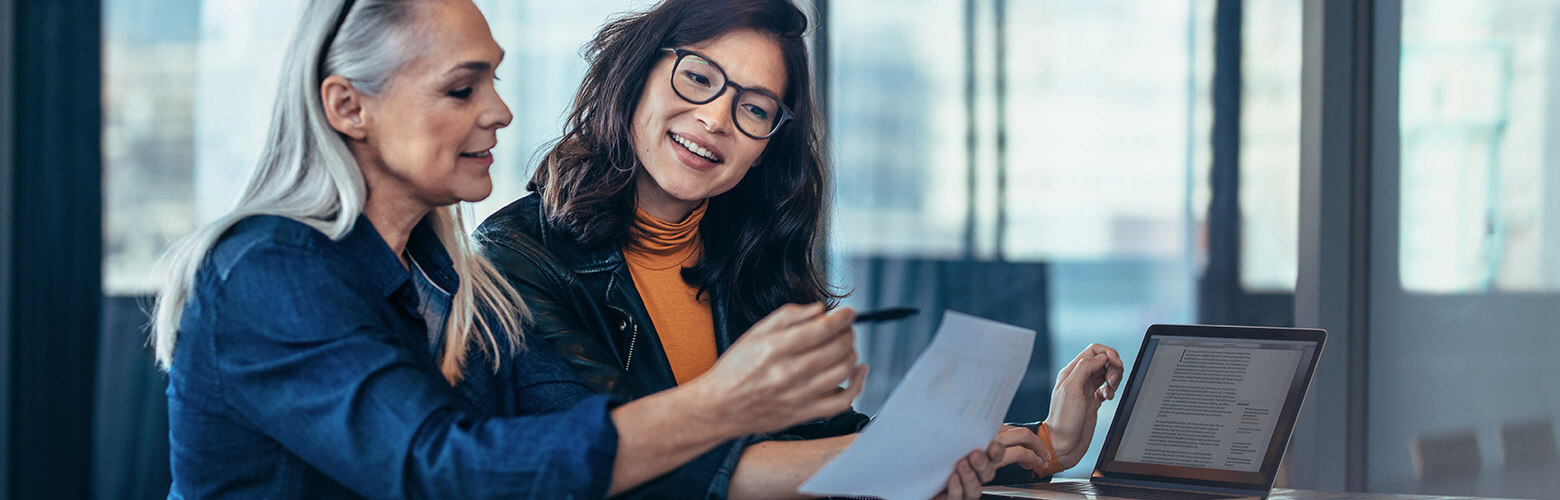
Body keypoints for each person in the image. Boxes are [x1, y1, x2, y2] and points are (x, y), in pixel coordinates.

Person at [149, 0, 1010, 497]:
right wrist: (730, 402)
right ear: (347, 107)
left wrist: (973, 447)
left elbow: (570, 452)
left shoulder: (442, 276)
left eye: (492, 78)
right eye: (462, 86)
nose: (501, 112)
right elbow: (443, 472)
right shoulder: (272, 269)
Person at [475, 0, 1126, 495]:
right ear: (637, 74)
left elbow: (819, 443)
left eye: (754, 109)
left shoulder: (748, 261)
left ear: (766, 149)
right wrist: (908, 460)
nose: (715, 119)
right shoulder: (514, 258)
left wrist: (1046, 441)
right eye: (698, 77)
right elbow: (629, 462)